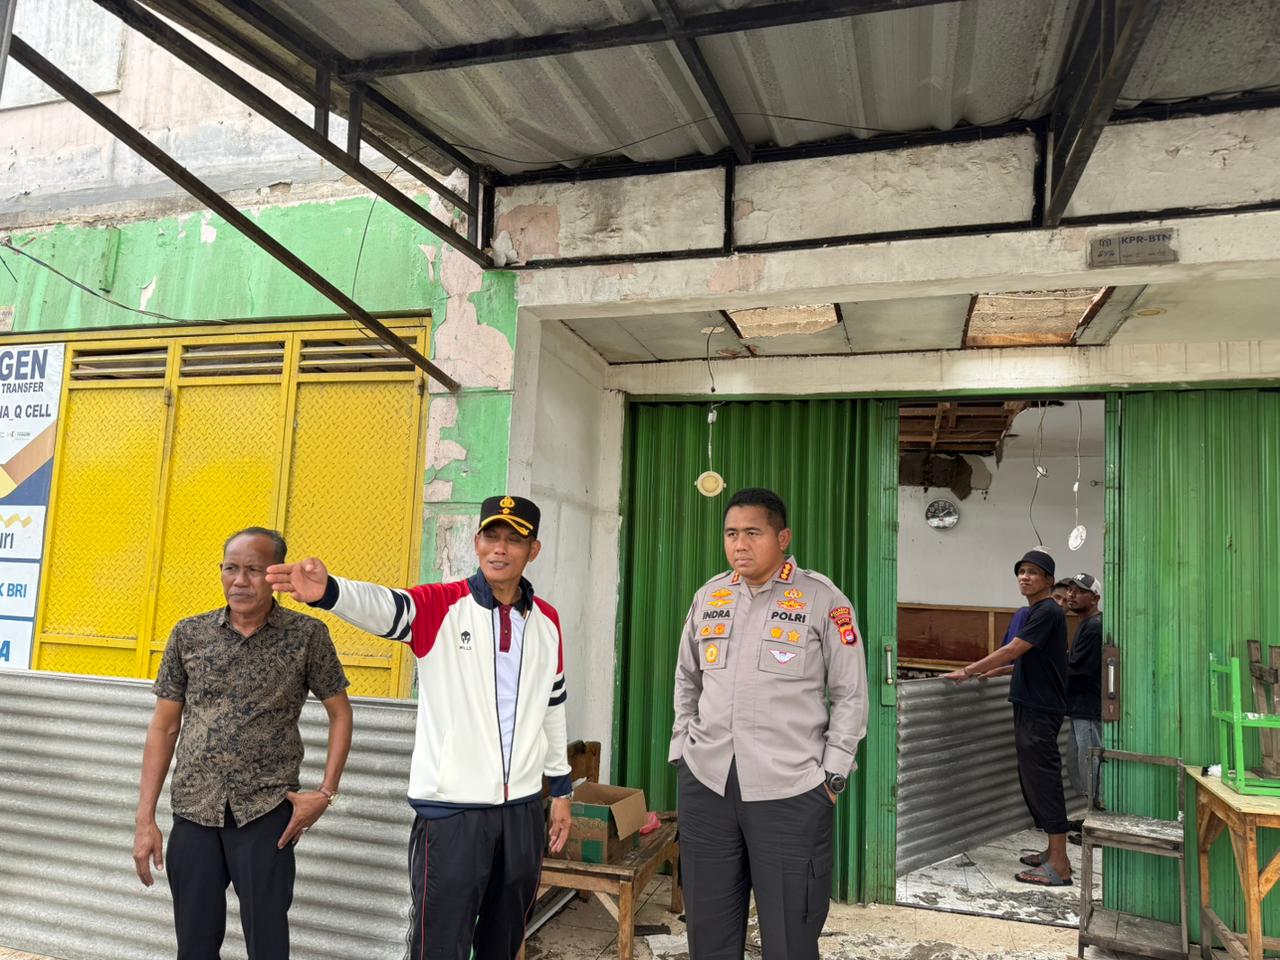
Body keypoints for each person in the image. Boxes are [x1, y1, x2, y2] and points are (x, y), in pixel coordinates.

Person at [266, 495, 572, 960]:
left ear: (534, 550)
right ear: (477, 543)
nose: (500, 549)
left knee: (505, 941)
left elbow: (553, 704)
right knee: (438, 946)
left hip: (523, 812)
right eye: (491, 536)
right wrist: (330, 592)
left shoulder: (547, 621)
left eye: (514, 540)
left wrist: (562, 789)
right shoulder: (442, 606)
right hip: (453, 813)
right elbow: (388, 606)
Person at [134, 527, 353, 960]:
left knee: (267, 942)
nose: (240, 580)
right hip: (195, 809)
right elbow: (164, 728)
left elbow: (341, 714)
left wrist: (325, 793)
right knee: (194, 945)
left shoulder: (306, 636)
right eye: (231, 568)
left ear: (275, 576)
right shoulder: (189, 634)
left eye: (253, 570)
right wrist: (146, 819)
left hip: (266, 812)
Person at [669, 487, 869, 960]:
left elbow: (850, 693)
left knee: (789, 935)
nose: (739, 544)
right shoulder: (710, 595)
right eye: (731, 533)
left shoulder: (823, 600)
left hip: (790, 790)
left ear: (783, 538)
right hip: (708, 783)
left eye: (752, 533)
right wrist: (682, 750)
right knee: (708, 927)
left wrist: (833, 775)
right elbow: (687, 679)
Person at [943, 548, 1070, 887]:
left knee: (1043, 780)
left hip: (1040, 708)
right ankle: (1052, 852)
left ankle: (1060, 864)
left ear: (1048, 580)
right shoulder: (1038, 612)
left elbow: (1013, 649)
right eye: (1021, 571)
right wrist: (996, 672)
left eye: (1033, 572)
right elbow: (1028, 661)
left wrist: (968, 671)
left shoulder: (1046, 611)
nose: (1025, 577)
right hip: (1032, 704)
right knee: (1034, 780)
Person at [1064, 572, 1104, 818]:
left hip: (1088, 707)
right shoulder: (1086, 624)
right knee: (1081, 762)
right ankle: (1092, 817)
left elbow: (1079, 669)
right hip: (1080, 706)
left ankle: (1098, 818)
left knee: (1090, 761)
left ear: (1095, 598)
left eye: (1079, 592)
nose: (1071, 595)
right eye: (1070, 590)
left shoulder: (1094, 627)